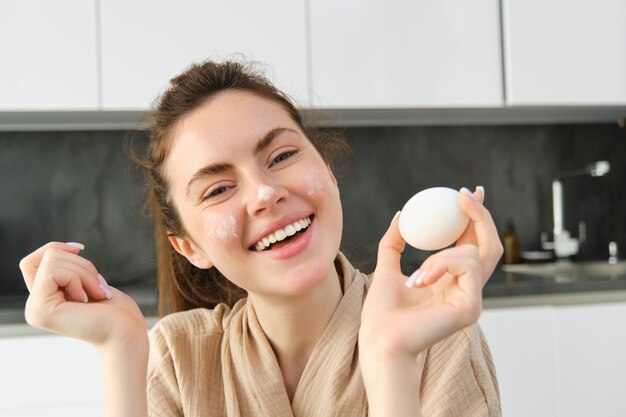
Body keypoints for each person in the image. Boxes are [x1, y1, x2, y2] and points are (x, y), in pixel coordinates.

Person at [19, 60, 504, 417]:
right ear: (189, 246)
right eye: (219, 188)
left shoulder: (434, 333)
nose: (266, 194)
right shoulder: (180, 358)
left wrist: (390, 360)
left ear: (328, 172)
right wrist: (121, 347)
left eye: (281, 156)